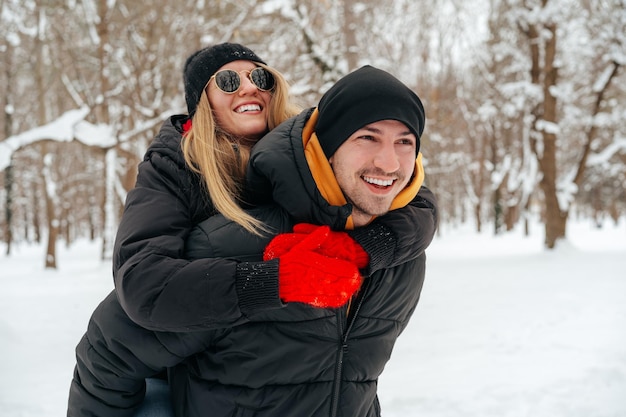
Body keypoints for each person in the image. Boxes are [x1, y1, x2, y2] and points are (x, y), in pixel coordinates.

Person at [66, 41, 436, 417]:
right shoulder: (175, 167)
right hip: (178, 348)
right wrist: (274, 280)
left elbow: (414, 203)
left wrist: (366, 246)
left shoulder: (307, 148)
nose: (249, 88)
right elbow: (143, 283)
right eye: (227, 80)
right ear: (201, 103)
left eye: (260, 77)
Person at [163, 64, 438, 417]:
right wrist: (271, 281)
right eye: (367, 137)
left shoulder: (404, 257)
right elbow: (109, 356)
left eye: (404, 142)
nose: (388, 163)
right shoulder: (233, 242)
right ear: (327, 148)